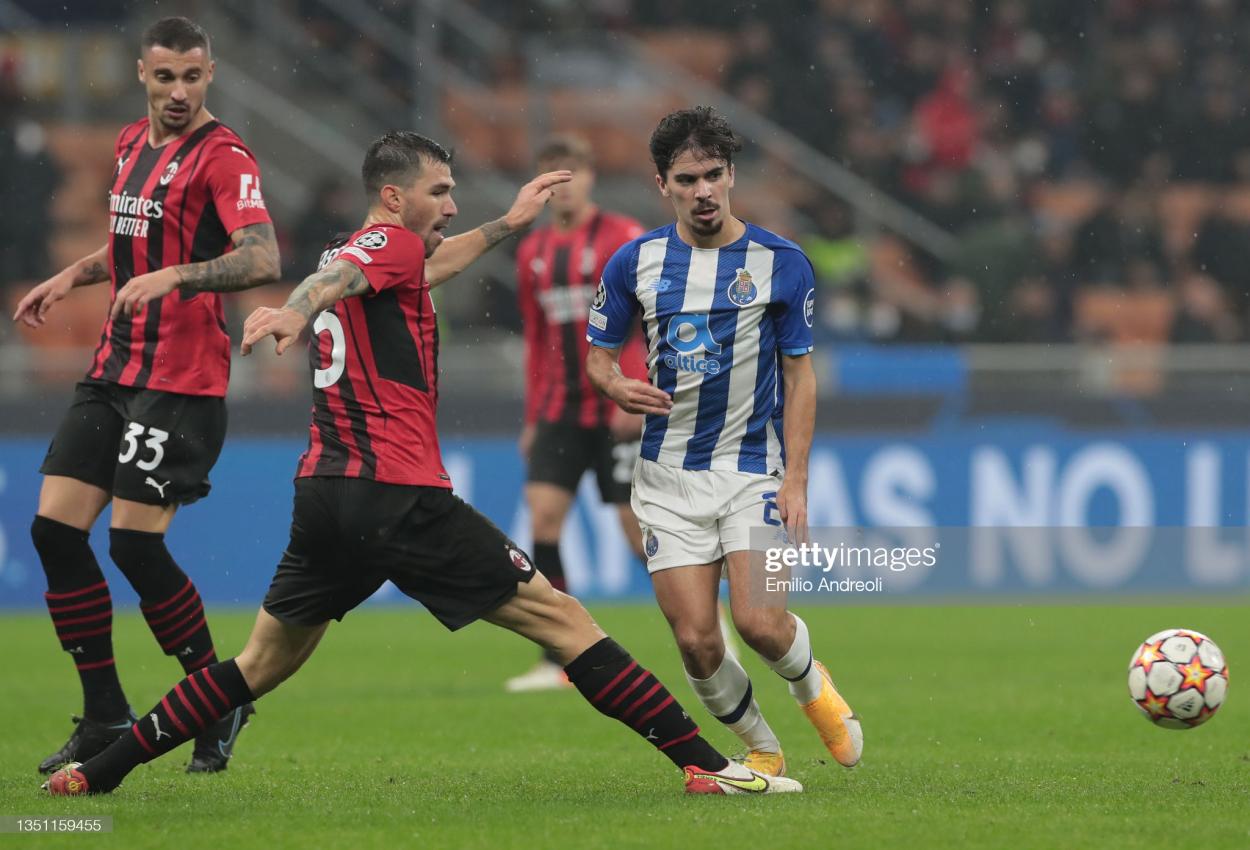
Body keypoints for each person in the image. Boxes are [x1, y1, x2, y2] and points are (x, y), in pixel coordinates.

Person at [43, 131, 801, 798]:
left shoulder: (379, 253)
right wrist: (295, 311)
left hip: (325, 494)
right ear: (393, 195)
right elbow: (337, 281)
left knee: (257, 664)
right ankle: (708, 764)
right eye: (440, 192)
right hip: (398, 494)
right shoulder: (385, 247)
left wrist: (507, 223)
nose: (449, 204)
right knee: (567, 623)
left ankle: (101, 769)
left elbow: (414, 265)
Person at [12, 17, 280, 775]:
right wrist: (75, 274)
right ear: (142, 73)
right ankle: (104, 711)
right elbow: (137, 241)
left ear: (210, 74)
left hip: (181, 379)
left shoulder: (226, 158)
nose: (178, 92)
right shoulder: (132, 143)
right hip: (114, 368)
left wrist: (179, 277)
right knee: (55, 534)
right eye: (165, 77)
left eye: (192, 77)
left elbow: (262, 255)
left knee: (132, 541)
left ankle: (216, 695)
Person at [585, 107, 864, 778]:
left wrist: (795, 479)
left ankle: (812, 690)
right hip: (665, 477)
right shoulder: (634, 263)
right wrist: (616, 387)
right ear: (663, 185)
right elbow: (596, 357)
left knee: (761, 624)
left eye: (714, 175)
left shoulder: (782, 263)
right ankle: (761, 746)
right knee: (696, 640)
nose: (703, 190)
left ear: (732, 175)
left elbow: (801, 379)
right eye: (688, 179)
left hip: (752, 473)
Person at [507, 134, 649, 692]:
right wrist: (533, 415)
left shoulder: (622, 238)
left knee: (637, 533)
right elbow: (537, 339)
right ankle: (559, 658)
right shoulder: (531, 253)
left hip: (617, 404)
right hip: (560, 410)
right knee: (542, 519)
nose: (563, 186)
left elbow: (648, 320)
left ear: (590, 177)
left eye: (572, 174)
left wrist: (632, 387)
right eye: (551, 176)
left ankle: (706, 625)